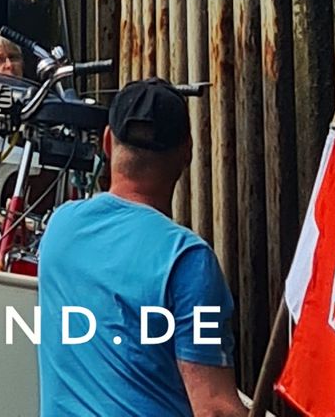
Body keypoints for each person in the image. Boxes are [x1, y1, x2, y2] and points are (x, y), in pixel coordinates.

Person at [34, 79, 242, 416]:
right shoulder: (187, 260)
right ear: (187, 152)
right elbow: (213, 408)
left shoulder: (60, 227)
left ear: (107, 142)